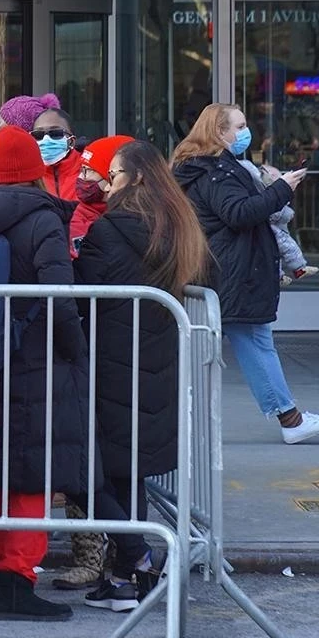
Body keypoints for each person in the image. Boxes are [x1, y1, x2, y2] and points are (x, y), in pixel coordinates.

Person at [76, 140, 209, 612]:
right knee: (125, 474)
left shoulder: (111, 228)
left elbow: (82, 289)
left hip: (112, 360)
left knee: (88, 473)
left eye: (112, 173)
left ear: (133, 178)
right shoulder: (178, 225)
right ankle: (126, 577)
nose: (105, 181)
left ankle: (137, 560)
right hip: (155, 362)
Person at [0, 125, 89, 622]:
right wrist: (77, 351)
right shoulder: (43, 221)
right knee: (33, 475)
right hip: (36, 360)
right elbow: (60, 298)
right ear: (37, 170)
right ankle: (18, 577)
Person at [173, 103, 319, 444]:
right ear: (219, 132)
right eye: (239, 126)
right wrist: (282, 189)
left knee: (247, 343)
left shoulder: (213, 168)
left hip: (229, 271)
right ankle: (289, 419)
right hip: (232, 271)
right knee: (240, 345)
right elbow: (238, 213)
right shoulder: (216, 171)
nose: (246, 132)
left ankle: (290, 418)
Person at [239, 159, 319, 286]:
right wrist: (287, 213)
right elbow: (274, 213)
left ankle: (290, 272)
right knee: (284, 247)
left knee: (278, 251)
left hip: (272, 228)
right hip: (271, 230)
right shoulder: (261, 195)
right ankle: (295, 269)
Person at [70, 136, 133, 257]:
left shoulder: (140, 217)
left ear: (111, 175)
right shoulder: (78, 219)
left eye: (88, 171)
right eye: (81, 170)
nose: (81, 178)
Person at [30, 108, 82, 201]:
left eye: (56, 133)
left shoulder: (88, 173)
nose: (46, 139)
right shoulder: (27, 176)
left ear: (71, 141)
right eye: (38, 134)